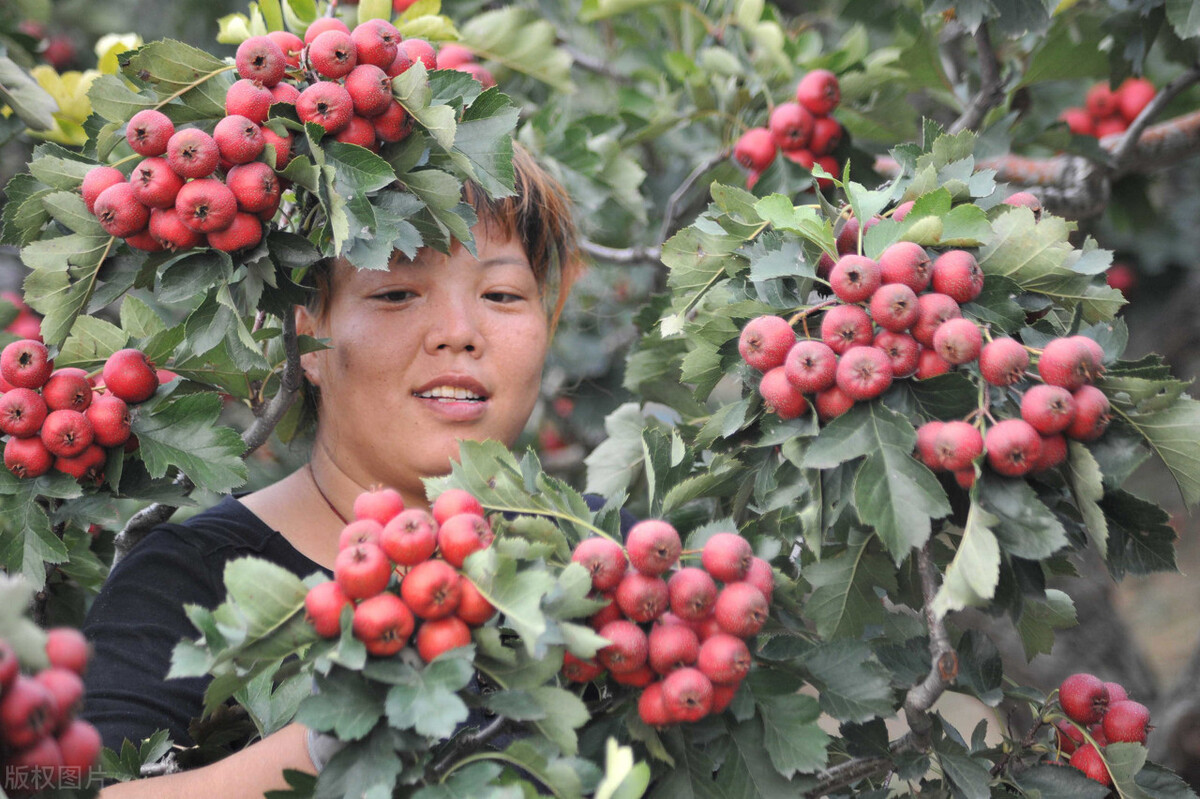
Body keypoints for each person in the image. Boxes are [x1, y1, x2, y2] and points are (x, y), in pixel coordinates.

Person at [81, 144, 592, 797]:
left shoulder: (602, 568)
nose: (459, 332)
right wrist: (331, 736)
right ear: (308, 337)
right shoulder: (184, 581)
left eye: (500, 293)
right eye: (398, 291)